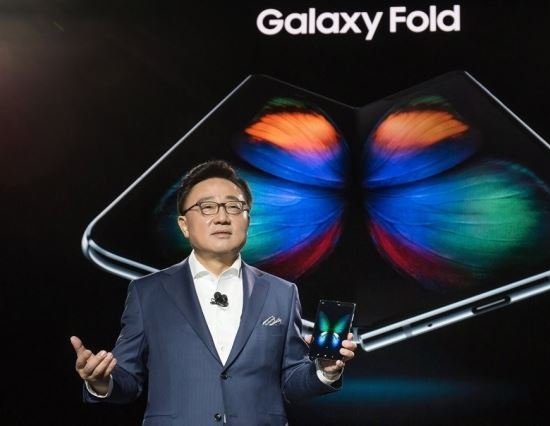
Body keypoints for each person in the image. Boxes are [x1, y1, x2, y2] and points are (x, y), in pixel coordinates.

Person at [71, 159, 357, 425]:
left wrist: (324, 370)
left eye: (233, 207)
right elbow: (128, 380)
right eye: (207, 207)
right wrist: (100, 382)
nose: (222, 217)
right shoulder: (148, 293)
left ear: (248, 219)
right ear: (184, 225)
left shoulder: (282, 293)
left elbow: (291, 381)